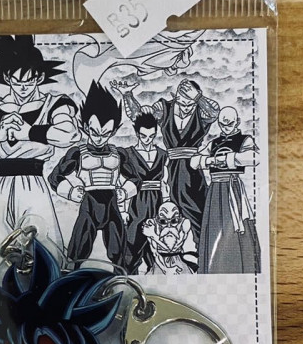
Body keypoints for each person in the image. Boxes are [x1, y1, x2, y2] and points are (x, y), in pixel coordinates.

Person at [0, 36, 80, 271]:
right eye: (16, 81)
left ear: (39, 77)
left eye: (29, 80)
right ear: (7, 78)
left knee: (45, 245)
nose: (23, 87)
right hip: (1, 185)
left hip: (34, 184)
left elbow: (69, 134)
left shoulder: (55, 103)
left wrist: (28, 132)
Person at [113, 75, 219, 249]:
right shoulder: (164, 108)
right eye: (182, 103)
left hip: (192, 172)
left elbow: (214, 114)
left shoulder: (201, 109)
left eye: (190, 105)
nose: (185, 109)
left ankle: (202, 253)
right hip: (171, 170)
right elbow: (140, 117)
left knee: (198, 214)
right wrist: (127, 96)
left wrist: (198, 98)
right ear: (176, 97)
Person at [49, 82, 137, 270]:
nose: (99, 138)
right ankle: (70, 278)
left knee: (118, 251)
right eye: (95, 132)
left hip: (112, 203)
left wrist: (124, 192)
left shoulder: (118, 153)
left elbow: (135, 179)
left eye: (106, 133)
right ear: (85, 127)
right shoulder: (77, 152)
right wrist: (71, 192)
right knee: (78, 250)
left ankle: (122, 278)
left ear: (114, 131)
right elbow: (55, 177)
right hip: (89, 203)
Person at [195, 106, 261, 274]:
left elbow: (255, 157)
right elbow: (194, 161)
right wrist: (210, 161)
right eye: (222, 125)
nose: (226, 128)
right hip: (215, 191)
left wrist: (229, 159)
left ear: (237, 122)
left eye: (229, 124)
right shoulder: (214, 143)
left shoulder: (244, 140)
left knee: (237, 228)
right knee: (214, 227)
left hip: (233, 189)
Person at [118, 112, 168, 274]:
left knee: (158, 247)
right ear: (137, 133)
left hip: (157, 202)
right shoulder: (127, 154)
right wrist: (122, 209)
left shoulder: (162, 154)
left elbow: (166, 182)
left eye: (151, 136)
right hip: (136, 203)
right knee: (132, 246)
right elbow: (120, 182)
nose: (147, 140)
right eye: (144, 136)